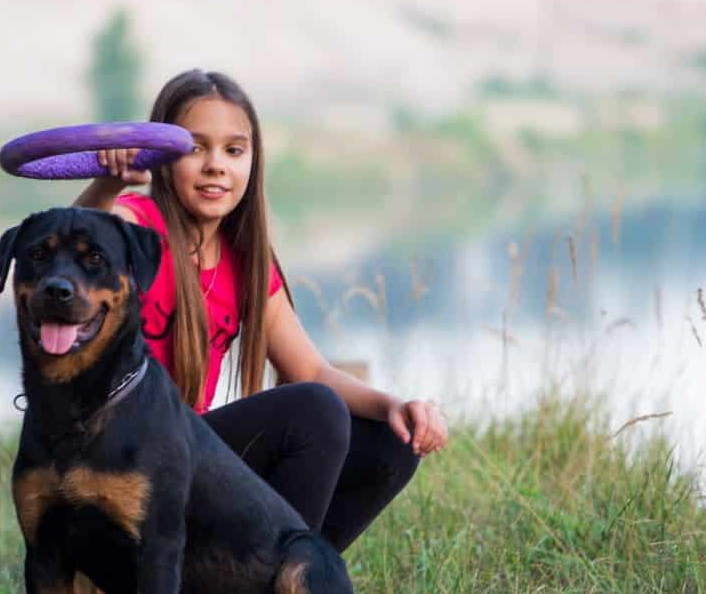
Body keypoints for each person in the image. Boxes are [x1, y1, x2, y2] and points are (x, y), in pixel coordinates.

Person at [73, 68, 447, 557]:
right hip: (123, 462)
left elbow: (310, 369)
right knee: (314, 410)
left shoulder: (245, 260)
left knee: (389, 445)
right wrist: (104, 185)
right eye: (194, 148)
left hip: (189, 460)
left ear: (253, 160)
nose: (215, 166)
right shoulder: (136, 224)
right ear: (162, 157)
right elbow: (79, 250)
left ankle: (282, 588)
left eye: (233, 150)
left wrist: (394, 406)